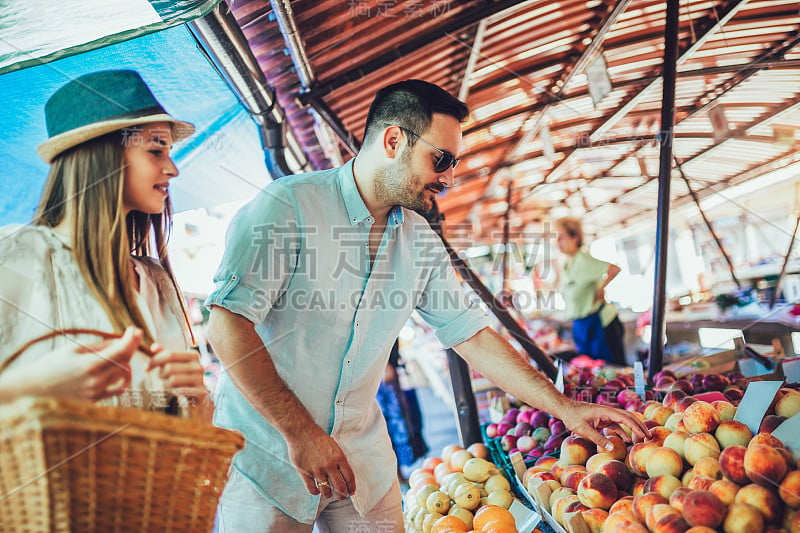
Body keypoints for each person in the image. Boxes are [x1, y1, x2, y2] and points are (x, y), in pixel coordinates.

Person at [206, 79, 649, 532]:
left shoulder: (419, 240)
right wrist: (301, 433)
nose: (449, 178)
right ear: (394, 140)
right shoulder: (287, 206)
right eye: (441, 160)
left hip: (361, 457)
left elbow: (471, 336)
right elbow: (227, 326)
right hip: (267, 454)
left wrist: (564, 408)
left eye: (453, 163)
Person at [0, 70, 209, 417]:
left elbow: (194, 432)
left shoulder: (156, 280)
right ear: (102, 157)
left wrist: (197, 398)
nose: (173, 168)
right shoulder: (19, 253)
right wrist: (36, 387)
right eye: (156, 150)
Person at [554, 216, 626, 365]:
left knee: (612, 370)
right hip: (581, 325)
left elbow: (614, 269)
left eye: (562, 237)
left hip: (600, 324)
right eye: (557, 238)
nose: (557, 242)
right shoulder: (566, 264)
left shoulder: (584, 260)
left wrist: (601, 287)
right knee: (590, 371)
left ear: (574, 238)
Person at [376, 340, 428, 480]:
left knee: (409, 418)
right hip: (383, 376)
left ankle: (407, 471)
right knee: (393, 424)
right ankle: (397, 474)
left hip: (393, 367)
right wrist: (383, 365)